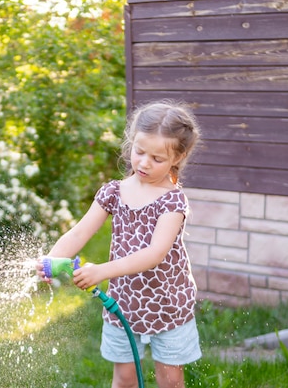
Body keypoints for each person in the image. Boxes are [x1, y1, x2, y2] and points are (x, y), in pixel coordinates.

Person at [37, 100, 202, 388]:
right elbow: (78, 234)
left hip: (168, 305)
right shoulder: (114, 191)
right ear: (131, 143)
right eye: (139, 152)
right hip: (123, 304)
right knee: (124, 378)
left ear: (178, 156)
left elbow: (154, 254)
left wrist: (101, 271)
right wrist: (51, 261)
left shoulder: (173, 201)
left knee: (170, 379)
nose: (144, 163)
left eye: (157, 158)